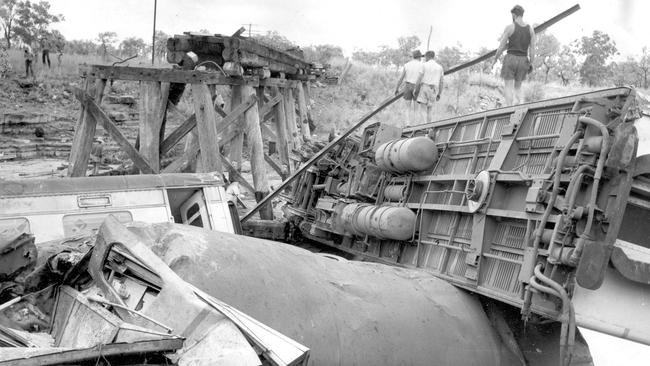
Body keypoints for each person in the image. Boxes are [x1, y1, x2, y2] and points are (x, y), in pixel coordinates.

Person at [492, 4, 536, 105]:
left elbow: (501, 47)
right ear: (522, 14)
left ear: (513, 15)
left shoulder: (510, 27)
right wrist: (531, 63)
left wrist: (495, 59)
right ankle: (519, 109)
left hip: (510, 59)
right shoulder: (530, 29)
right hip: (523, 60)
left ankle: (509, 111)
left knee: (508, 87)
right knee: (518, 87)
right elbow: (532, 48)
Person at [394, 50, 424, 125]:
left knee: (407, 108)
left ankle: (408, 124)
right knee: (416, 109)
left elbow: (401, 78)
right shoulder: (422, 65)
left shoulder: (407, 65)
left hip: (408, 85)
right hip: (417, 86)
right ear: (419, 57)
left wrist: (397, 88)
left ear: (413, 56)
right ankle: (415, 125)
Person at [417, 50, 444, 122]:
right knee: (430, 109)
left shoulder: (424, 65)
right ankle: (428, 128)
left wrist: (416, 89)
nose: (425, 58)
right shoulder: (439, 67)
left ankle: (424, 126)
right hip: (434, 89)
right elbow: (441, 82)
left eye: (425, 57)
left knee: (423, 109)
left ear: (427, 56)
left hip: (425, 87)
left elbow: (419, 78)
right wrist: (439, 93)